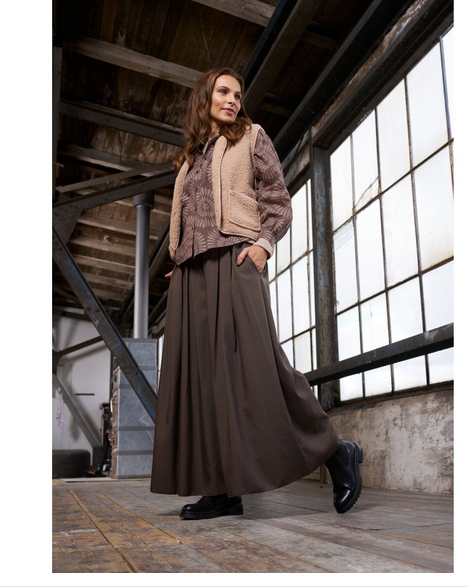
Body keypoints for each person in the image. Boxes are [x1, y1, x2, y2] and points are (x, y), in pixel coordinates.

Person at [150, 67, 363, 520]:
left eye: (237, 94)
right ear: (204, 97)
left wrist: (264, 245)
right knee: (203, 380)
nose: (232, 100)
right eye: (223, 91)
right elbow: (188, 216)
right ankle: (222, 489)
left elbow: (278, 201)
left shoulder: (251, 137)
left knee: (260, 365)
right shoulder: (190, 158)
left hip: (236, 260)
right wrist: (182, 258)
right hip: (191, 273)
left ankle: (335, 450)